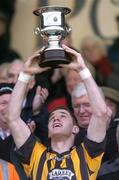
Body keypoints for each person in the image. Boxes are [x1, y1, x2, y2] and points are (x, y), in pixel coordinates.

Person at [5, 45, 111, 179]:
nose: (56, 118)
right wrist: (25, 74)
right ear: (48, 131)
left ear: (75, 128)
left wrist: (83, 70)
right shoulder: (35, 154)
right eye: (52, 118)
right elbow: (12, 118)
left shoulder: (87, 154)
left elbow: (101, 114)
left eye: (63, 116)